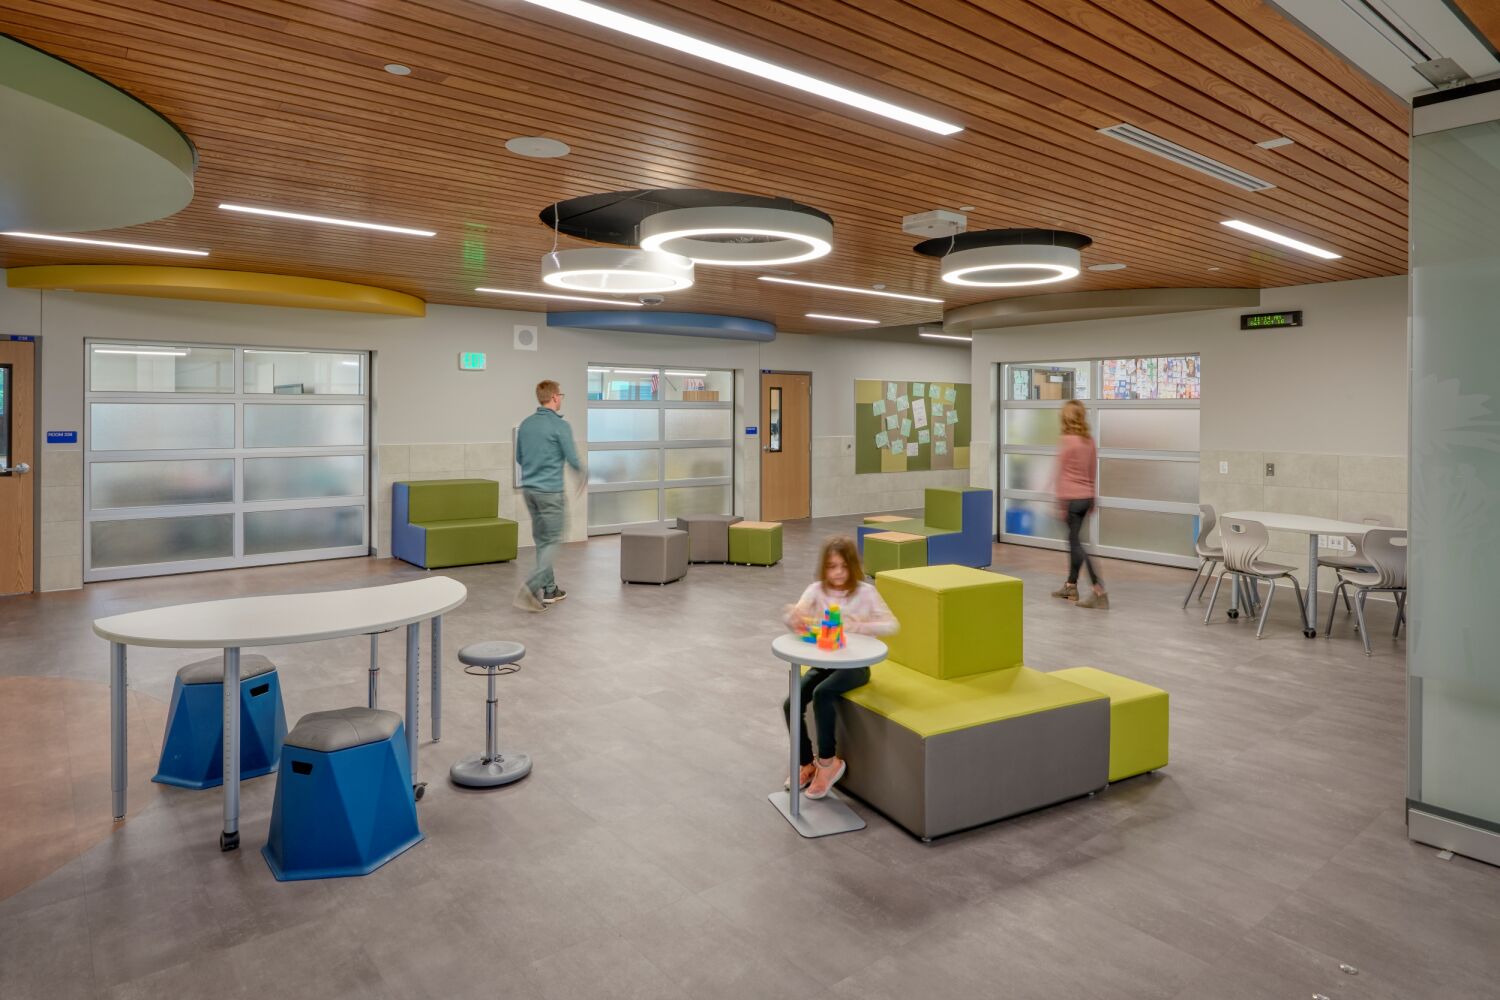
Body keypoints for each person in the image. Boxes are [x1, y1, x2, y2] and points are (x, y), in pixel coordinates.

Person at [781, 537, 898, 800]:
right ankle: (806, 763)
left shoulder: (865, 592)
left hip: (857, 665)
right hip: (825, 663)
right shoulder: (816, 590)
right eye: (832, 566)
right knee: (792, 702)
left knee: (822, 694)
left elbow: (891, 624)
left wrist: (858, 626)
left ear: (853, 566)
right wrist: (793, 616)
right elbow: (796, 618)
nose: (837, 573)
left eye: (844, 566)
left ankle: (828, 763)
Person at [514, 379, 582, 612]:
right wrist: (583, 475)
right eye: (560, 395)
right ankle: (530, 588)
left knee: (543, 542)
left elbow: (520, 458)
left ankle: (550, 589)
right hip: (550, 493)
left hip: (530, 492)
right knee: (553, 541)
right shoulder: (560, 425)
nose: (561, 398)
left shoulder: (526, 424)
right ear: (554, 397)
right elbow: (573, 459)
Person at [1051, 399, 1108, 609]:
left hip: (1071, 499)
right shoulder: (1089, 441)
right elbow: (1092, 471)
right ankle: (1071, 586)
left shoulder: (1067, 440)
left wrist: (1059, 503)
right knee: (1074, 541)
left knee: (1076, 545)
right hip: (1085, 498)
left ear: (1066, 418)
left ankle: (1098, 590)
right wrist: (1092, 498)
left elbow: (1060, 473)